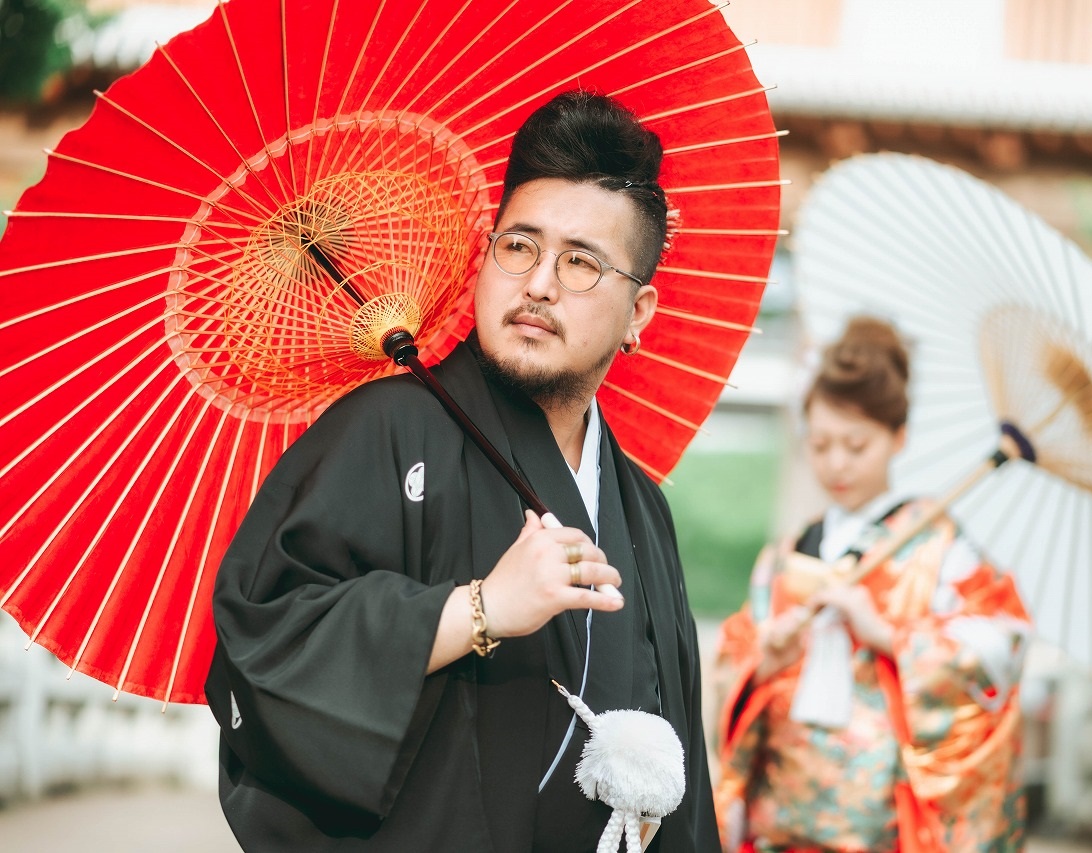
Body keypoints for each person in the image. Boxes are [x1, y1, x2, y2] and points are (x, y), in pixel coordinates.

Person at [204, 90, 718, 852]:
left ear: (639, 312)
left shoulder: (641, 505)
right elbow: (266, 638)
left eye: (580, 263)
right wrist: (479, 610)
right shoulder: (388, 428)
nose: (539, 282)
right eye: (519, 246)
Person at [712, 317, 1031, 853]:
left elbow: (1002, 642)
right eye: (820, 445)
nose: (836, 463)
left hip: (886, 822)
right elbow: (736, 658)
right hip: (780, 816)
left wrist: (887, 634)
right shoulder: (787, 553)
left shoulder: (938, 545)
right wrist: (766, 660)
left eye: (856, 446)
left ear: (897, 437)